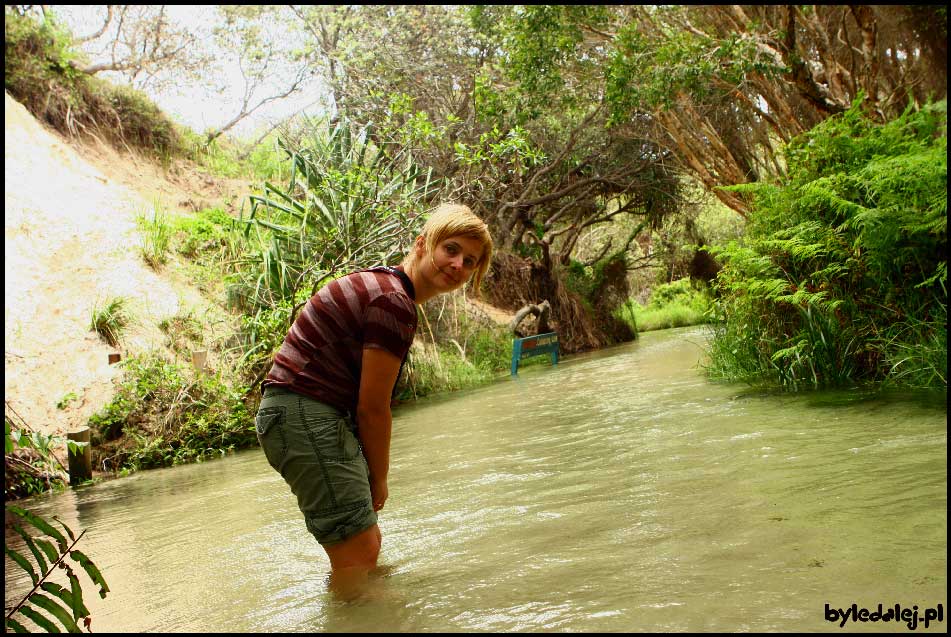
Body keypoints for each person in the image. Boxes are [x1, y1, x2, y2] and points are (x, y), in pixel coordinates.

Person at [255, 203, 493, 597]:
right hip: (305, 413)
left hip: (297, 414)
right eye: (450, 249)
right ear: (422, 244)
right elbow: (372, 408)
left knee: (365, 547)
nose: (457, 265)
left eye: (470, 261)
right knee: (358, 553)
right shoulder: (392, 302)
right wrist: (379, 479)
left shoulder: (384, 286)